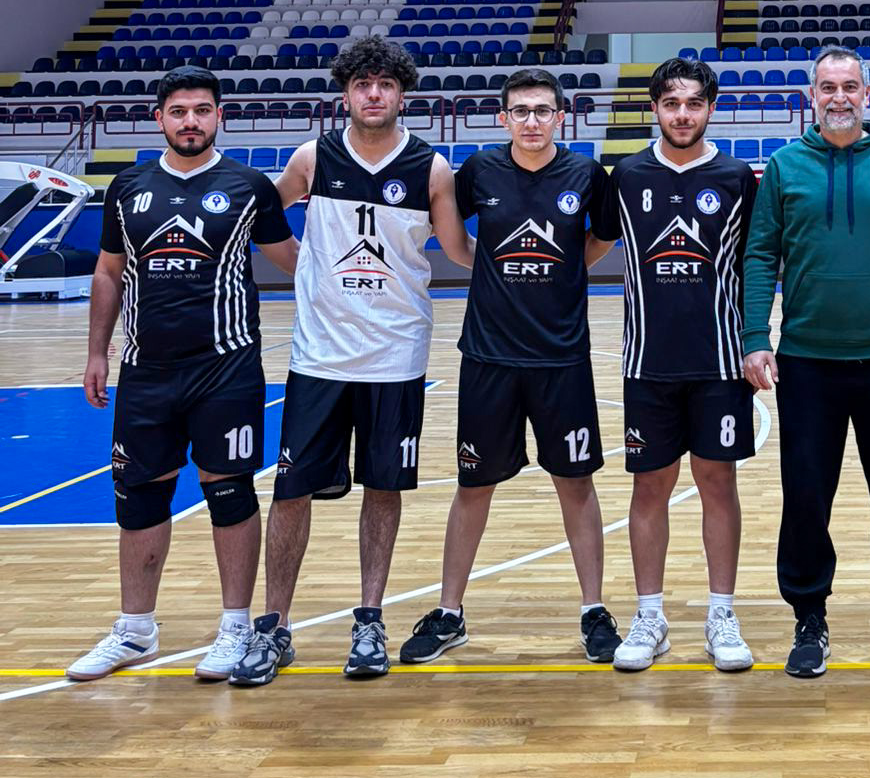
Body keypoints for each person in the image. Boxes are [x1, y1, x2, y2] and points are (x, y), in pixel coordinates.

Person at [230, 35, 471, 686]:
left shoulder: (430, 168)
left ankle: (369, 620)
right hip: (319, 357)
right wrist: (300, 263)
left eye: (385, 84)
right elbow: (262, 215)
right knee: (291, 491)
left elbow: (458, 249)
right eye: (362, 83)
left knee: (383, 489)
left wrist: (526, 269)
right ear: (345, 93)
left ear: (402, 94)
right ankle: (272, 626)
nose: (373, 94)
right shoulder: (313, 157)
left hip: (396, 356)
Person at [68, 67, 299, 683]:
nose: (190, 121)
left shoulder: (249, 186)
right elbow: (108, 272)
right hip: (145, 372)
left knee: (230, 491)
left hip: (227, 368)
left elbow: (296, 262)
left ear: (219, 116)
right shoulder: (128, 187)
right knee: (140, 494)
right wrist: (96, 354)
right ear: (160, 119)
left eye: (201, 110)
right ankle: (135, 630)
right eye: (178, 111)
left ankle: (236, 627)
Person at [742, 46, 870, 679]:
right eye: (828, 87)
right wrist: (755, 335)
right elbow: (760, 255)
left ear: (867, 94)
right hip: (807, 362)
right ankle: (809, 618)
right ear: (812, 96)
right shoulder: (784, 166)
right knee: (806, 497)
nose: (840, 97)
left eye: (850, 87)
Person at [398, 68, 621, 667]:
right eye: (520, 111)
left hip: (561, 357)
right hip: (489, 356)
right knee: (474, 485)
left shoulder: (585, 175)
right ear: (503, 118)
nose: (531, 121)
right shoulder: (480, 171)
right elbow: (452, 238)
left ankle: (593, 609)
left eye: (542, 110)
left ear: (560, 117)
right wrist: (486, 264)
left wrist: (567, 265)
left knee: (576, 483)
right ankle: (449, 612)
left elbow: (598, 241)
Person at [601, 57, 758, 674]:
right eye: (671, 103)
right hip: (647, 361)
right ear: (655, 109)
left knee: (718, 483)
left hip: (719, 361)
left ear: (710, 108)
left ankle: (722, 614)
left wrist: (757, 340)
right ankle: (650, 616)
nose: (683, 114)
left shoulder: (737, 177)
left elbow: (757, 264)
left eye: (694, 103)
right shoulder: (626, 175)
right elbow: (592, 243)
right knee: (649, 487)